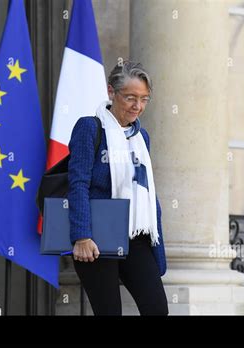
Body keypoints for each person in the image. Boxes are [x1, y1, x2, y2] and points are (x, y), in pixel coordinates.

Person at [67, 61, 168, 316]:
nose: (138, 106)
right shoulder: (90, 128)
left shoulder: (141, 137)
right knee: (109, 311)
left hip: (137, 236)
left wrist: (158, 247)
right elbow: (78, 183)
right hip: (97, 237)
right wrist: (81, 236)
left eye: (144, 99)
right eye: (131, 97)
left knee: (157, 308)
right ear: (111, 92)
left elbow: (147, 192)